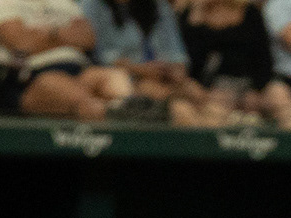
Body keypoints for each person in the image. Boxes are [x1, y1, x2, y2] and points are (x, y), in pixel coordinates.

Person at [0, 0, 134, 120]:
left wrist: (49, 34)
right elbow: (22, 43)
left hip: (79, 70)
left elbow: (88, 38)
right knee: (77, 97)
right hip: (31, 79)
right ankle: (109, 113)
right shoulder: (4, 2)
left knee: (115, 77)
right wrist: (63, 34)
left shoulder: (64, 3)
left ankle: (127, 109)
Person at [87, 0, 225, 125]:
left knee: (209, 104)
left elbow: (177, 53)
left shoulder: (159, 5)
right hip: (126, 79)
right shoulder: (94, 5)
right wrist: (142, 70)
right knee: (181, 110)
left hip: (164, 77)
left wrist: (175, 71)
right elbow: (99, 55)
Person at [182, 0, 291, 128]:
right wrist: (195, 24)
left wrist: (257, 89)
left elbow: (263, 59)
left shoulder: (250, 13)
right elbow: (190, 67)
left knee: (280, 95)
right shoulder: (189, 17)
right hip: (213, 88)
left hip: (252, 83)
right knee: (214, 111)